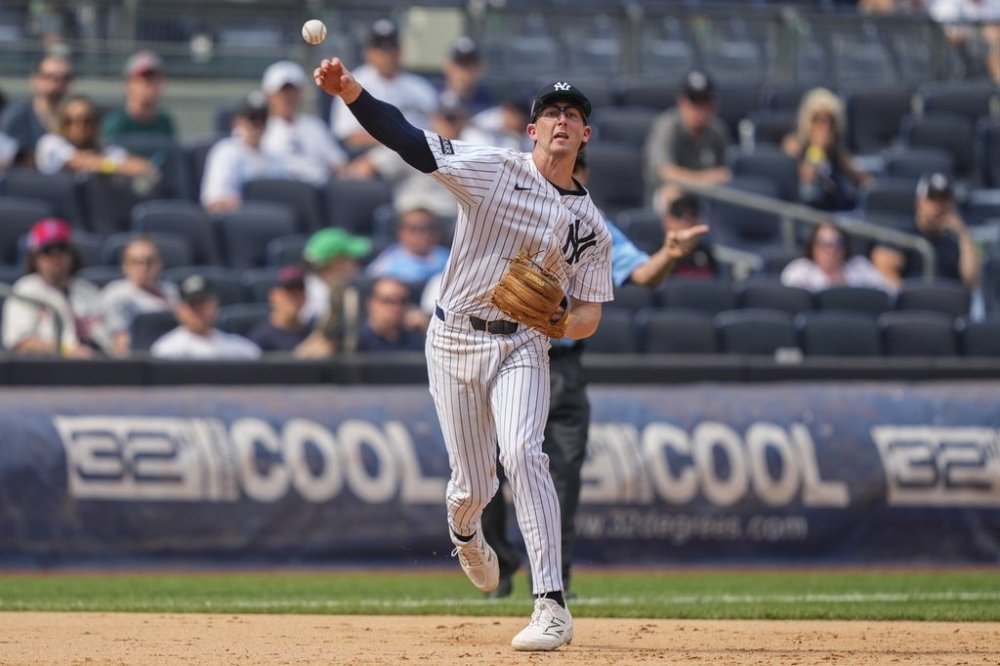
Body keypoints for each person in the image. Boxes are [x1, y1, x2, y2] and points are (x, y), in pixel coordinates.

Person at [315, 59, 614, 651]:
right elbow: (410, 142)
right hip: (454, 338)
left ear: (585, 136)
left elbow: (588, 317)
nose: (561, 119)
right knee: (473, 485)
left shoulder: (593, 227)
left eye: (572, 114)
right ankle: (463, 527)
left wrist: (555, 320)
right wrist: (351, 91)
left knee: (526, 452)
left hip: (524, 342)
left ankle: (550, 604)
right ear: (532, 130)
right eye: (550, 112)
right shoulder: (491, 169)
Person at [481, 155, 710, 600]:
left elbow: (643, 273)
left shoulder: (593, 228)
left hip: (561, 364)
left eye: (575, 170)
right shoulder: (507, 213)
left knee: (563, 477)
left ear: (583, 177)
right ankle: (502, 566)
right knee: (487, 470)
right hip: (504, 356)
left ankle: (553, 581)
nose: (567, 177)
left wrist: (669, 254)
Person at [328, 18, 438, 152]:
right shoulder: (352, 82)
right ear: (368, 52)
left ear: (400, 52)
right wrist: (400, 139)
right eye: (380, 48)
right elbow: (348, 136)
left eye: (391, 47)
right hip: (371, 156)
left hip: (419, 156)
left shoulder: (420, 87)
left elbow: (439, 128)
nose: (386, 54)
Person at [2, 218, 108, 357]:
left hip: (95, 368)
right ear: (35, 257)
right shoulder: (24, 291)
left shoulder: (89, 291)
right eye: (47, 251)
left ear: (71, 254)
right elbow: (21, 343)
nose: (56, 257)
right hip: (45, 371)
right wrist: (68, 352)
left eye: (62, 249)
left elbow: (109, 340)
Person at [643, 70, 731, 208]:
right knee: (672, 194)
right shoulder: (667, 126)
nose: (698, 108)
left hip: (706, 195)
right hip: (669, 194)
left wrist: (704, 181)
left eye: (704, 101)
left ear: (712, 104)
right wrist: (704, 180)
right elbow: (666, 172)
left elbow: (725, 174)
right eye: (694, 101)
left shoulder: (717, 131)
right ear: (682, 102)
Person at [781, 88, 871, 212]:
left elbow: (862, 179)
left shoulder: (835, 150)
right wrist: (817, 149)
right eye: (818, 119)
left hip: (835, 212)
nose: (824, 126)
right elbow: (805, 180)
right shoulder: (794, 145)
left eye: (830, 121)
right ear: (807, 121)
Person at [260, 60, 348, 187]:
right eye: (282, 92)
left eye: (292, 91)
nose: (287, 97)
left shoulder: (314, 125)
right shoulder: (259, 127)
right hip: (278, 191)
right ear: (269, 95)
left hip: (318, 191)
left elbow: (338, 163)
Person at [200, 91, 290, 213]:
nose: (259, 126)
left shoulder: (276, 156)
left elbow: (285, 196)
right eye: (253, 119)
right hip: (238, 222)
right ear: (238, 122)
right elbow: (215, 202)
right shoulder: (225, 152)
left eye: (263, 120)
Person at [34, 94, 157, 181]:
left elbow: (143, 167)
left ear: (95, 124)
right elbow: (80, 161)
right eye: (70, 121)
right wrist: (111, 166)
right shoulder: (50, 143)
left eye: (86, 121)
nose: (79, 126)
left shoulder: (105, 150)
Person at [297, 227, 373, 356]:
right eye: (350, 258)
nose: (355, 264)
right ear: (336, 262)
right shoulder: (312, 296)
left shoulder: (345, 290)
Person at [99, 235, 179, 357]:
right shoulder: (117, 294)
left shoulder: (171, 290)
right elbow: (120, 343)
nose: (143, 268)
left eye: (150, 261)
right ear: (124, 266)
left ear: (160, 264)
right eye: (135, 262)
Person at [150, 274, 261, 360]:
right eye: (193, 305)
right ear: (180, 310)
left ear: (216, 306)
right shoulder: (166, 351)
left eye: (204, 305)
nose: (199, 311)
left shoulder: (240, 349)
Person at [904, 172, 982, 289]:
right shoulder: (904, 233)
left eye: (944, 199)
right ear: (919, 202)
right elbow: (887, 273)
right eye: (932, 199)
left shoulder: (957, 240)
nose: (938, 206)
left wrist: (964, 234)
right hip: (913, 303)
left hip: (949, 303)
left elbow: (972, 281)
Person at [0, 54, 73, 166]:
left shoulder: (77, 118)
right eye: (49, 76)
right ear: (35, 79)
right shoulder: (16, 115)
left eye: (64, 78)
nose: (57, 83)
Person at [781, 222, 896, 293]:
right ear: (813, 247)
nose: (831, 250)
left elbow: (889, 292)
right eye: (824, 244)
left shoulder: (859, 267)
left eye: (837, 243)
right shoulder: (800, 271)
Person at [101, 49, 176, 140]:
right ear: (128, 84)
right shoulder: (116, 124)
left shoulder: (164, 123)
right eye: (144, 79)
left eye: (155, 78)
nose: (149, 84)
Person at [365, 205, 450, 286]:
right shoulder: (388, 261)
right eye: (414, 228)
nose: (422, 234)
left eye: (428, 228)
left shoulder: (449, 258)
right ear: (401, 232)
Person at [247, 266, 314, 354]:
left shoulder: (311, 335)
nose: (294, 300)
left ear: (305, 298)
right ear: (273, 297)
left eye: (298, 294)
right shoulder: (260, 338)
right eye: (288, 294)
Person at [356, 276, 426, 352]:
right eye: (387, 301)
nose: (396, 307)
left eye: (402, 301)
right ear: (371, 304)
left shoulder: (416, 343)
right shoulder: (355, 343)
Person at [659, 193, 719, 279]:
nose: (687, 222)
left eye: (693, 215)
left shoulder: (706, 254)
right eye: (680, 215)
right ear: (667, 221)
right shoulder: (655, 256)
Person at [439, 36, 495, 115]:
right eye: (460, 64)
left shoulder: (489, 104)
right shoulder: (431, 97)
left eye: (471, 66)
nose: (465, 72)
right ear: (447, 66)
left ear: (481, 69)